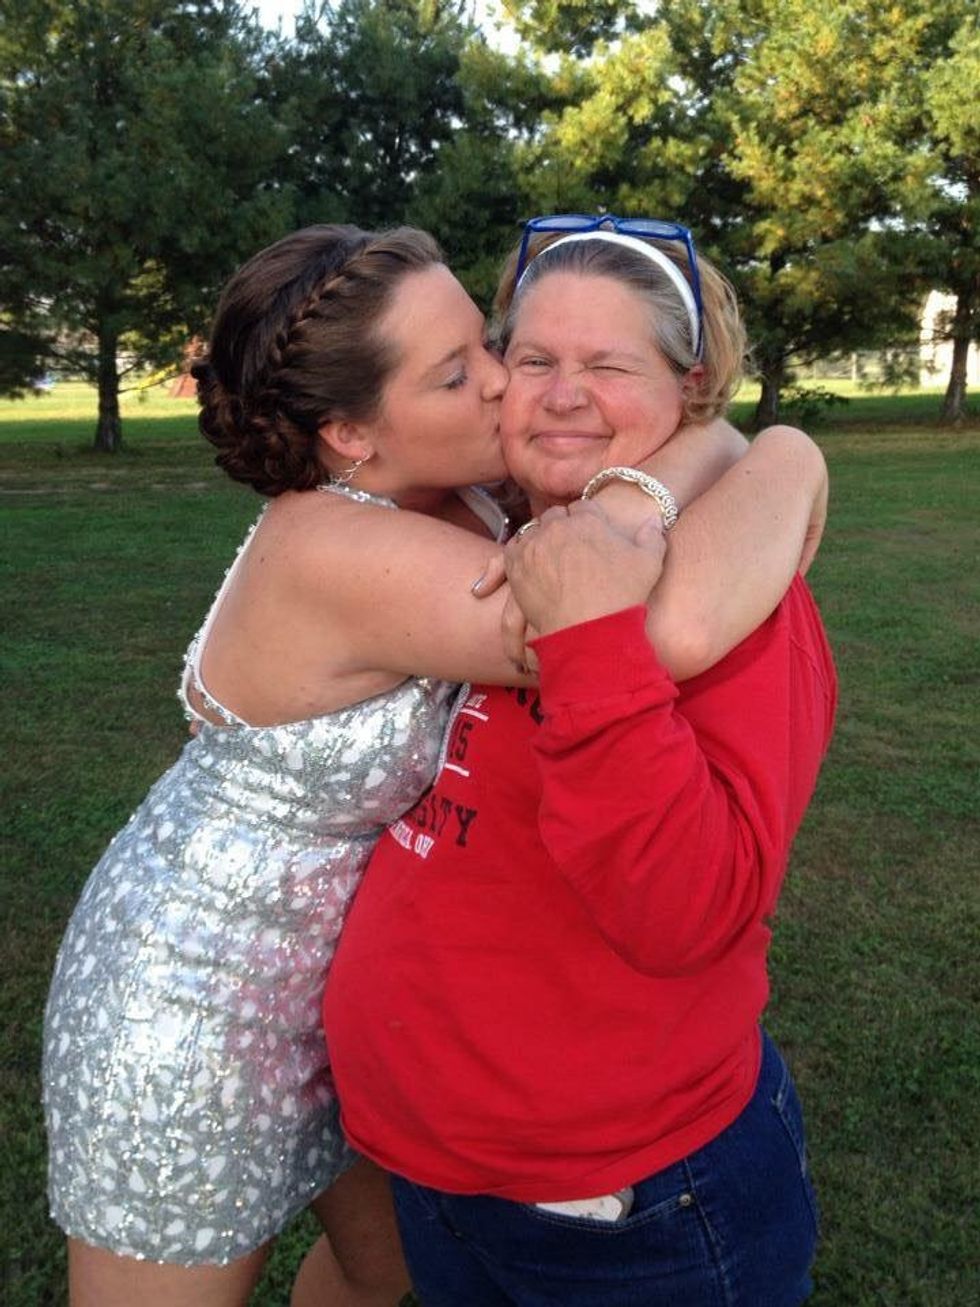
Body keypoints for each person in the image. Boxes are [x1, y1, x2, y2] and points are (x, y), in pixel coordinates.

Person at [42, 220, 823, 1307]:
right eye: (465, 371)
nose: (508, 384)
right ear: (351, 433)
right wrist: (778, 455)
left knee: (377, 1269)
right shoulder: (331, 547)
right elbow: (630, 623)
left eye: (487, 345)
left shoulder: (471, 503)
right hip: (202, 989)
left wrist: (718, 442)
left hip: (353, 1011)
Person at [323, 216, 837, 1306]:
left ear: (686, 389)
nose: (562, 395)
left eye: (608, 366)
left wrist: (596, 630)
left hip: (623, 1206)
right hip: (433, 1170)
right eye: (532, 359)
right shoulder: (473, 525)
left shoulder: (736, 593)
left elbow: (684, 908)